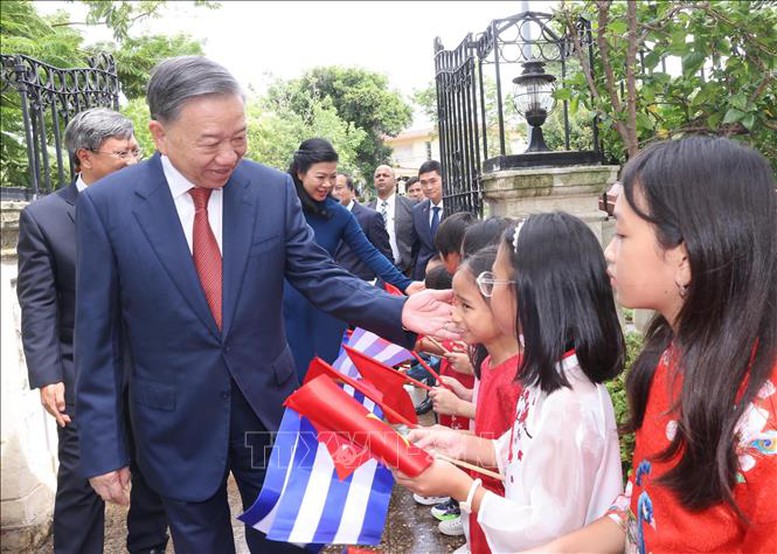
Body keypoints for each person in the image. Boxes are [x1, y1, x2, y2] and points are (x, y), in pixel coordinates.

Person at [73, 56, 457, 554]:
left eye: (240, 137)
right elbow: (96, 337)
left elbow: (317, 274)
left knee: (290, 540)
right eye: (211, 142)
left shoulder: (269, 189)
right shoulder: (109, 206)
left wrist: (398, 312)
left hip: (267, 410)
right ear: (159, 135)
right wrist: (103, 450)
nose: (229, 155)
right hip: (175, 420)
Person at [532, 137, 777, 553]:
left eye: (623, 234)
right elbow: (640, 507)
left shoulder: (763, 414)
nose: (608, 252)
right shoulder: (670, 356)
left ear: (682, 253)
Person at [395, 212, 626, 552]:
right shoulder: (552, 374)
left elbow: (545, 530)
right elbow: (521, 453)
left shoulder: (568, 403)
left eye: (493, 283)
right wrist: (456, 444)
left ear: (532, 294)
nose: (488, 292)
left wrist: (463, 489)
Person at [16, 108, 168, 554]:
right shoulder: (44, 218)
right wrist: (48, 375)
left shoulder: (150, 207)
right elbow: (39, 303)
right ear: (85, 156)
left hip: (148, 371)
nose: (132, 160)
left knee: (153, 476)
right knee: (83, 483)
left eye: (135, 150)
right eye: (122, 152)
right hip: (81, 376)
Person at [284, 139, 424, 379]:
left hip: (325, 308)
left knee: (323, 378)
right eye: (320, 177)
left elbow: (369, 253)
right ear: (300, 172)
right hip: (283, 307)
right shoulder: (281, 206)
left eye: (332, 177)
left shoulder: (338, 214)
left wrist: (406, 284)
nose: (328, 184)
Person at [429, 246, 521, 547]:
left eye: (466, 306)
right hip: (482, 496)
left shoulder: (518, 378)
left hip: (501, 507)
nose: (454, 317)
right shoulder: (487, 363)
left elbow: (513, 459)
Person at [332, 172, 394, 281]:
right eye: (330, 189)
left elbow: (385, 257)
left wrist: (378, 287)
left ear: (352, 192)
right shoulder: (323, 218)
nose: (334, 193)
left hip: (362, 287)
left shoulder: (370, 217)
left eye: (338, 188)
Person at [368, 164, 418, 275]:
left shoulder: (411, 206)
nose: (381, 178)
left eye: (385, 175)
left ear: (395, 181)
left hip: (405, 271)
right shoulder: (366, 210)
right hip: (374, 272)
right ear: (374, 182)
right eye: (378, 176)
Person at [411, 160, 445, 279]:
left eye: (433, 181)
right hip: (423, 274)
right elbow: (416, 247)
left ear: (443, 179)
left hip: (449, 273)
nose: (429, 187)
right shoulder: (417, 211)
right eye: (424, 183)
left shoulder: (457, 206)